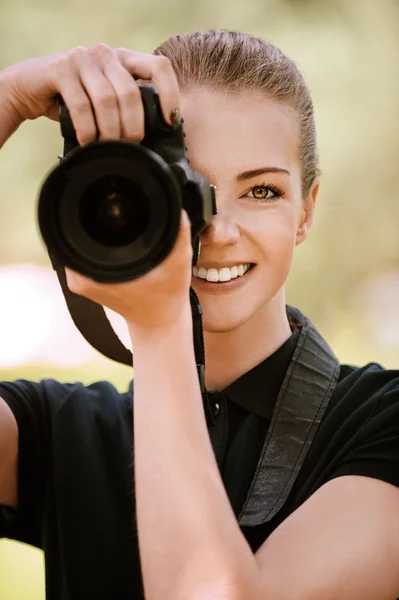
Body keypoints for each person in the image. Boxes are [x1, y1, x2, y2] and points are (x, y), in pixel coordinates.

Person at [0, 30, 399, 600]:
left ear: (306, 211)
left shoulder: (381, 424)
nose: (219, 230)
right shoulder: (60, 431)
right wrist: (9, 97)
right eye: (188, 191)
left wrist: (162, 328)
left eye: (261, 191)